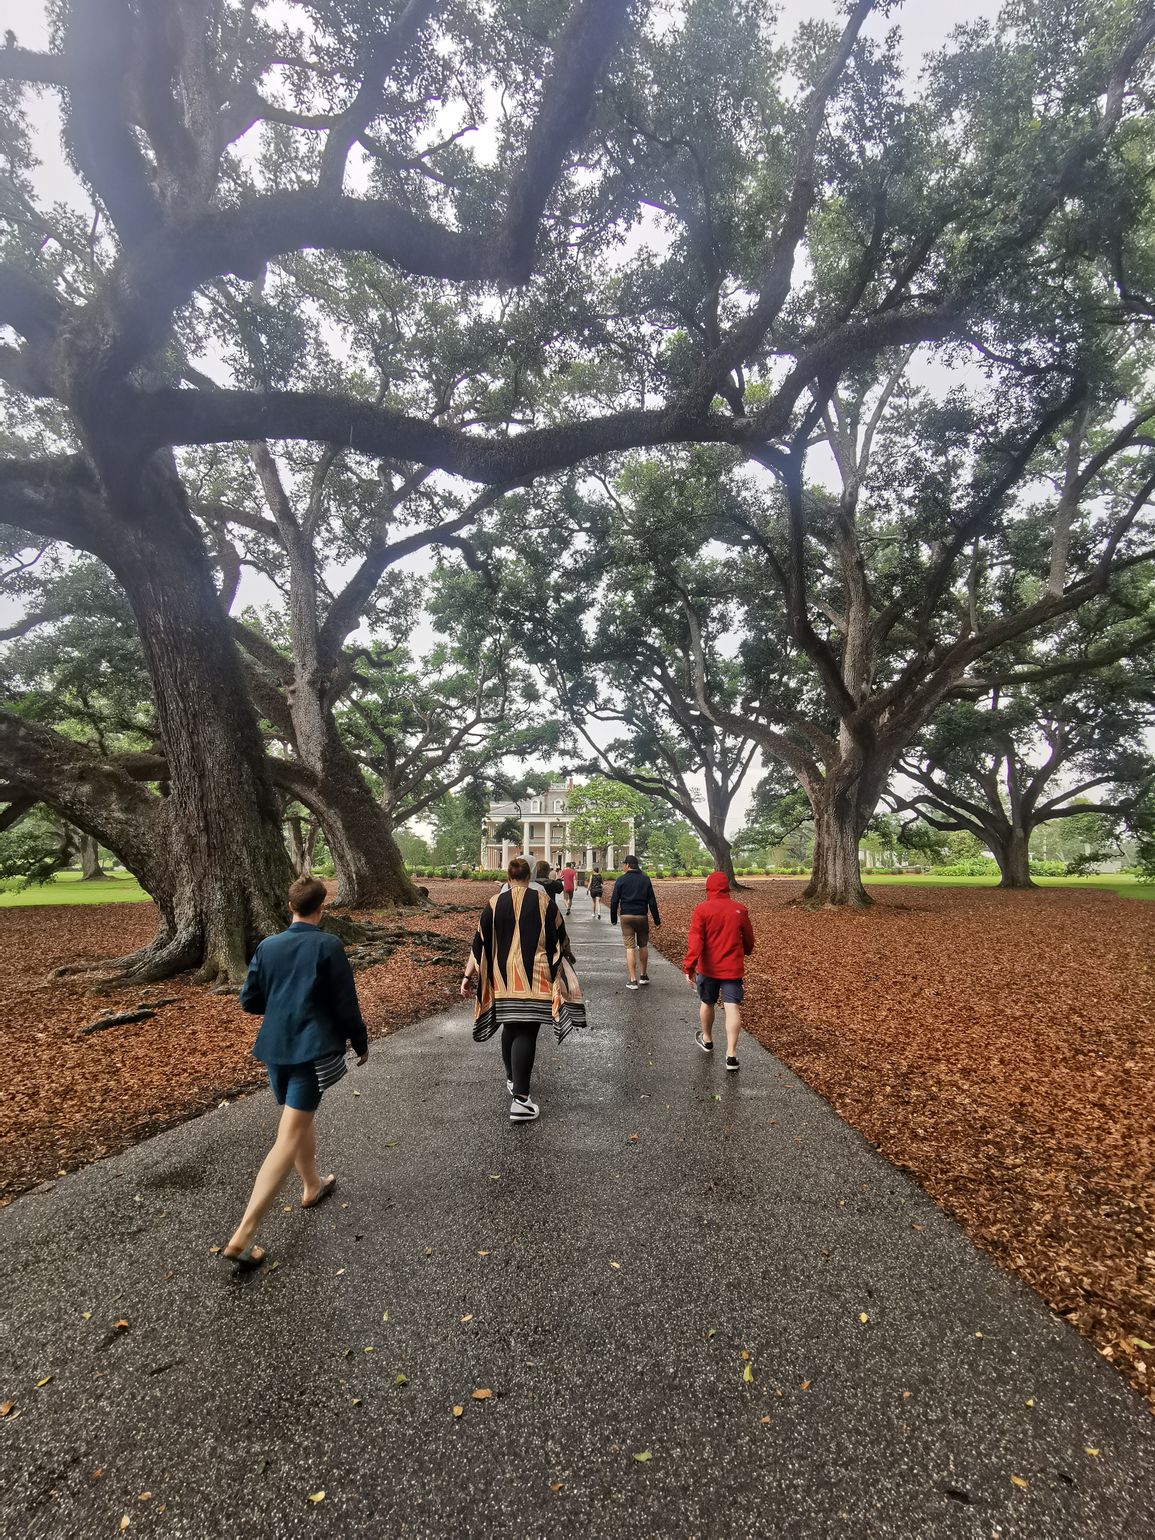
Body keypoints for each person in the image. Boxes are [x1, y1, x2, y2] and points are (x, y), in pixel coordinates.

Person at [222, 876, 369, 1271]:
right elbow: (345, 1003)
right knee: (286, 1137)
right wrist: (360, 1040)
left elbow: (250, 999)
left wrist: (282, 1004)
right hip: (310, 1051)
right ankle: (244, 1234)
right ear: (321, 908)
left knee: (297, 1117)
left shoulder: (268, 946)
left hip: (275, 1050)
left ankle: (311, 1185)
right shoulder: (328, 945)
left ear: (291, 907)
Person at [461, 855, 577, 1122]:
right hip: (534, 975)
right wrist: (568, 955)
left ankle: (513, 1079)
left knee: (511, 1025)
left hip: (502, 976)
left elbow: (479, 942)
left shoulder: (493, 903)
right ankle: (521, 1101)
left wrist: (468, 976)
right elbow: (560, 933)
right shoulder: (543, 901)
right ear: (530, 877)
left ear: (508, 877)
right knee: (526, 1028)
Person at [683, 871, 755, 1072]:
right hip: (732, 969)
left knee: (707, 1003)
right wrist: (746, 950)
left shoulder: (702, 910)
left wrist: (689, 966)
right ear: (727, 887)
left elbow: (696, 941)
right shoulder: (740, 910)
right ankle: (731, 1055)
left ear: (709, 888)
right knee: (732, 1007)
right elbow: (749, 940)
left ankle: (707, 1039)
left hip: (708, 969)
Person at [609, 853, 661, 989]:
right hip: (641, 916)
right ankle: (643, 975)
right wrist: (657, 920)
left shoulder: (621, 880)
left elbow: (614, 900)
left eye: (624, 865)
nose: (623, 867)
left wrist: (613, 918)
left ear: (627, 865)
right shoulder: (645, 879)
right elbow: (652, 901)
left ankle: (632, 980)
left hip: (626, 917)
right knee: (643, 945)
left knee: (630, 947)